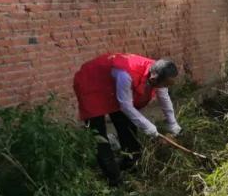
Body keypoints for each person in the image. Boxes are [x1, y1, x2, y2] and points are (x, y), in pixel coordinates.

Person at [73, 53, 180, 186]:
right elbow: (126, 106)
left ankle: (130, 166)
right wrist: (151, 129)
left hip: (112, 85)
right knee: (100, 137)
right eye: (163, 84)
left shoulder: (160, 70)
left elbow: (164, 97)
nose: (164, 87)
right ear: (154, 79)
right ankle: (114, 180)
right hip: (91, 83)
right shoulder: (126, 74)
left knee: (127, 128)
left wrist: (173, 124)